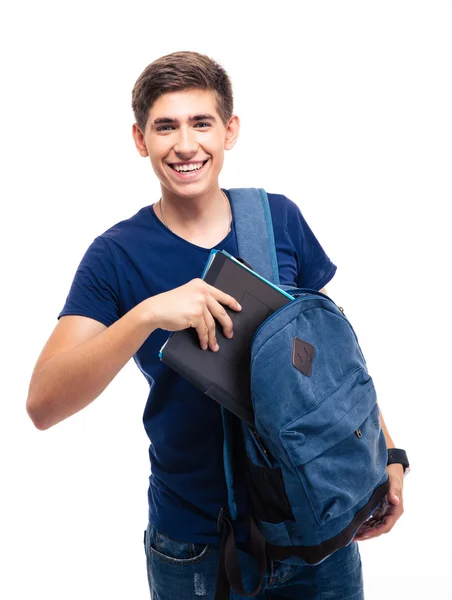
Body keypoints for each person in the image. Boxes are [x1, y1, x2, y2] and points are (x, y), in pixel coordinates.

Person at [26, 51, 405, 599]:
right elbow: (43, 403)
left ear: (229, 131)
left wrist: (385, 454)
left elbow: (328, 364)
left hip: (317, 523)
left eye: (201, 123)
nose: (185, 145)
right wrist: (146, 314)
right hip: (197, 547)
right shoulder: (116, 256)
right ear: (140, 139)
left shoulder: (276, 219)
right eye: (165, 127)